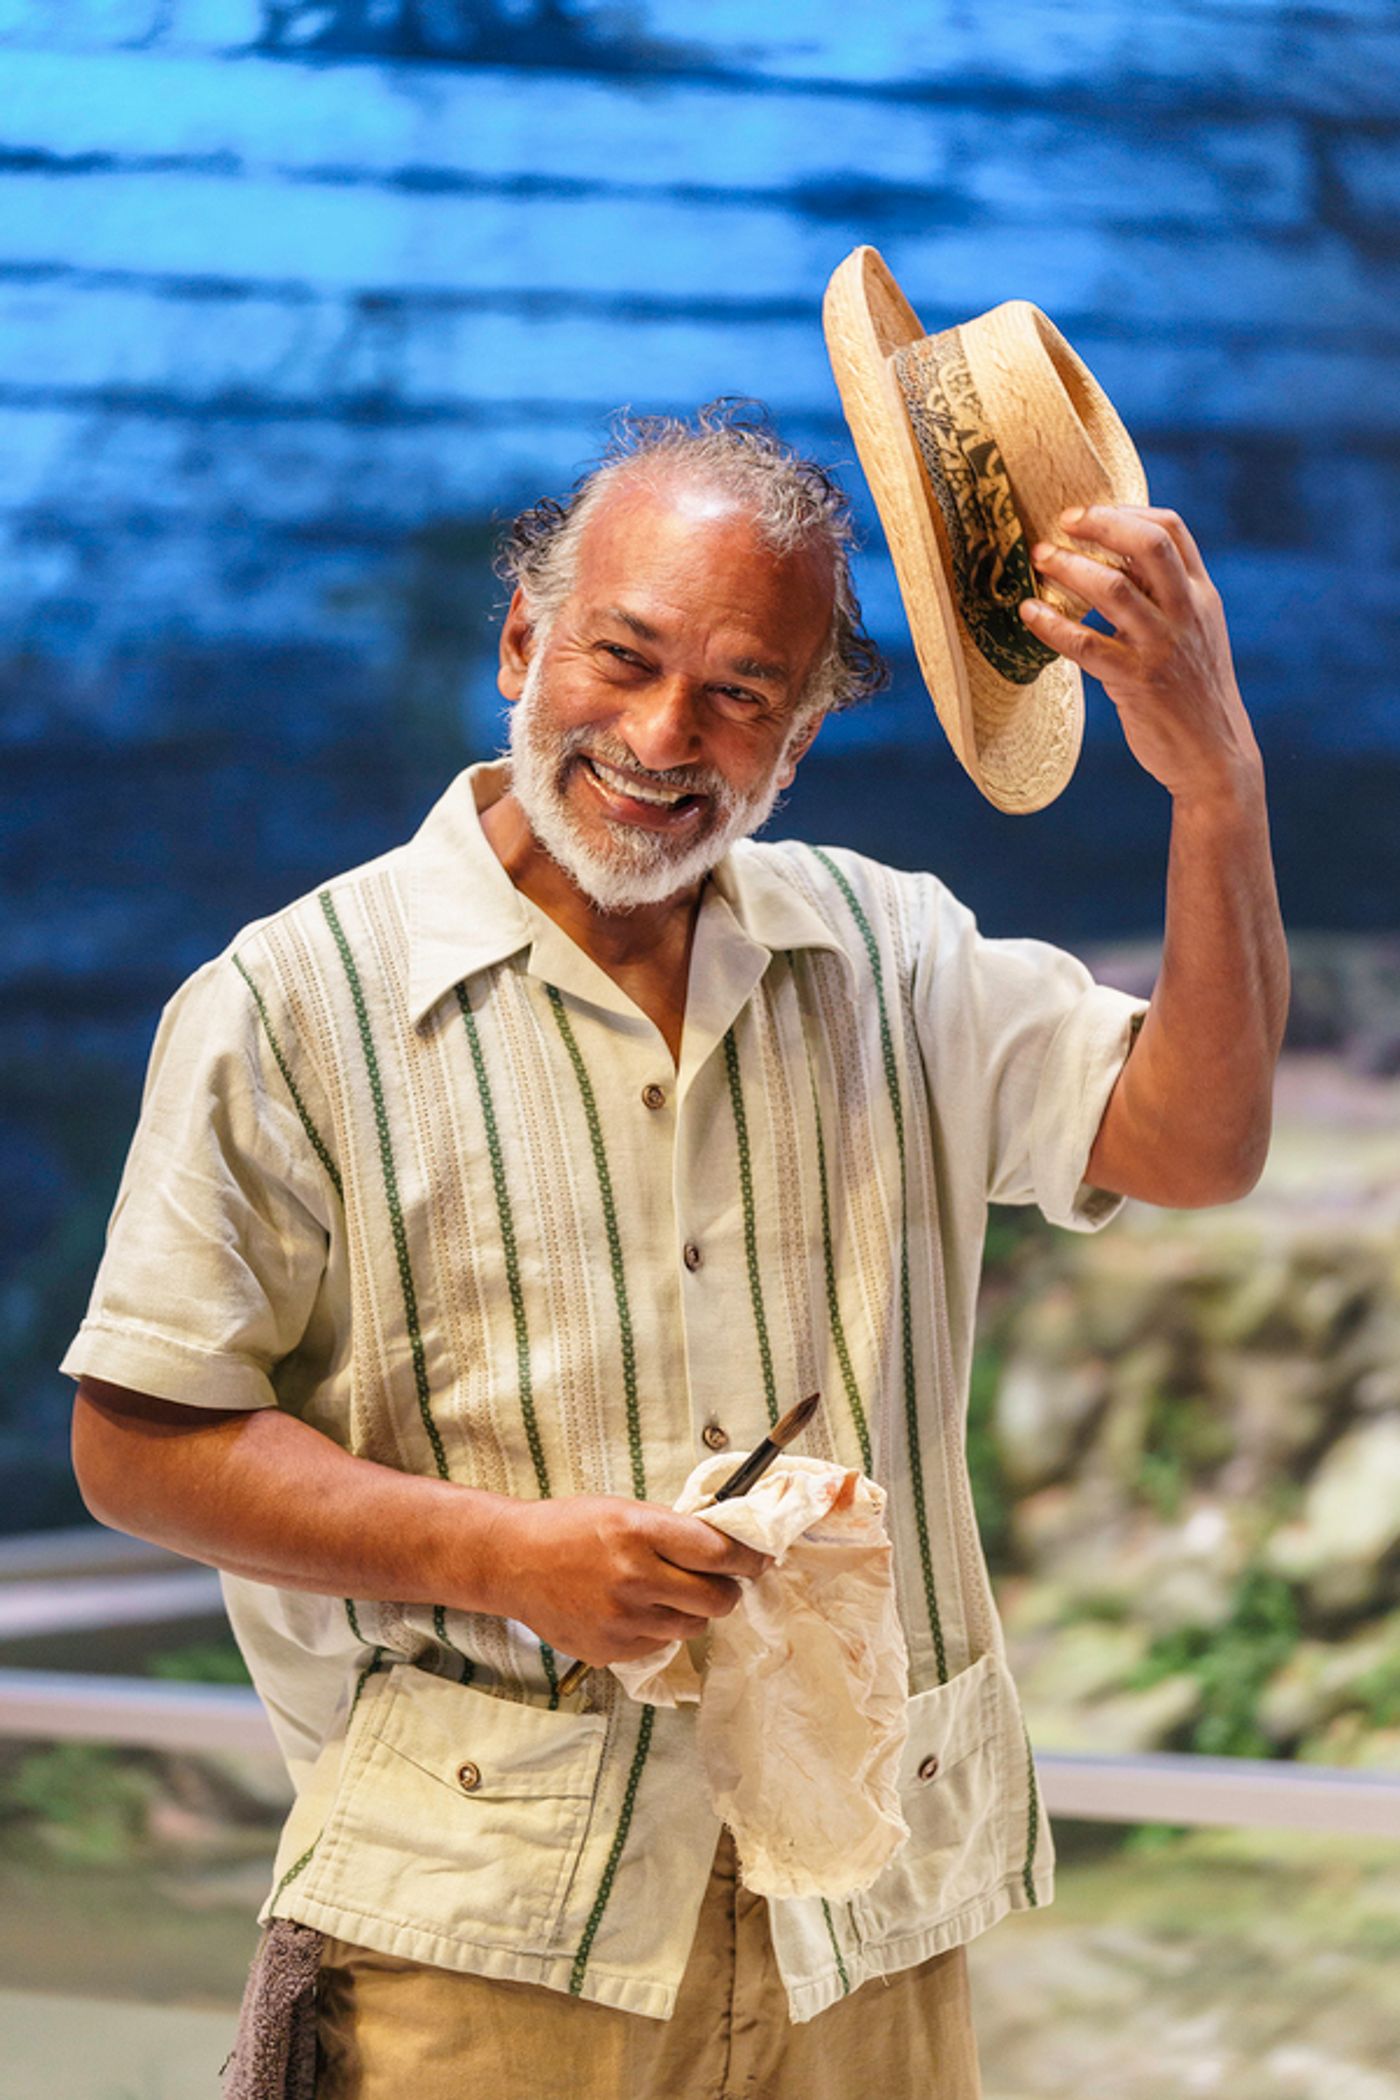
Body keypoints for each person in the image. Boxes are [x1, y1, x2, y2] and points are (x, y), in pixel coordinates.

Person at [64, 403, 1287, 2099]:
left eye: (740, 695)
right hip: (482, 1928)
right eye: (621, 659)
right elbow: (138, 1444)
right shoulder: (291, 1004)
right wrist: (507, 1558)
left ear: (798, 742)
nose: (662, 735)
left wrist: (1213, 779)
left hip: (861, 1915)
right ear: (520, 640)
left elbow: (1200, 1142)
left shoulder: (894, 951)